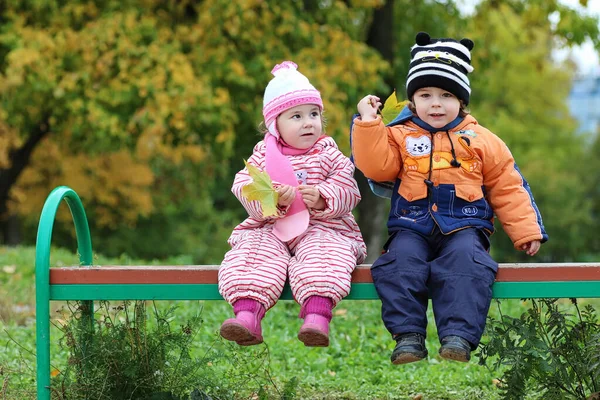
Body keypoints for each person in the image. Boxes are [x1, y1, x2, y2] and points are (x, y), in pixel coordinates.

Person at [351, 32, 548, 364]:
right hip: (411, 225)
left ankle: (457, 335)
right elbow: (376, 167)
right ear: (413, 100)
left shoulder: (482, 140)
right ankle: (409, 336)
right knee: (399, 263)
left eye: (446, 95)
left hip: (464, 225)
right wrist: (370, 124)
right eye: (425, 95)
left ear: (462, 100)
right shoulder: (399, 135)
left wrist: (526, 230)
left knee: (467, 264)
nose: (436, 104)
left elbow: (507, 185)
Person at [218, 61, 366, 347]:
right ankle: (247, 316)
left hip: (322, 226)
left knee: (324, 253)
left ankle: (316, 316)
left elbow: (349, 188)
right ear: (275, 125)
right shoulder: (263, 156)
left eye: (314, 114)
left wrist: (324, 195)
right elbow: (244, 186)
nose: (308, 122)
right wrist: (269, 199)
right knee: (253, 253)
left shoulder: (329, 154)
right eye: (296, 116)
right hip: (271, 227)